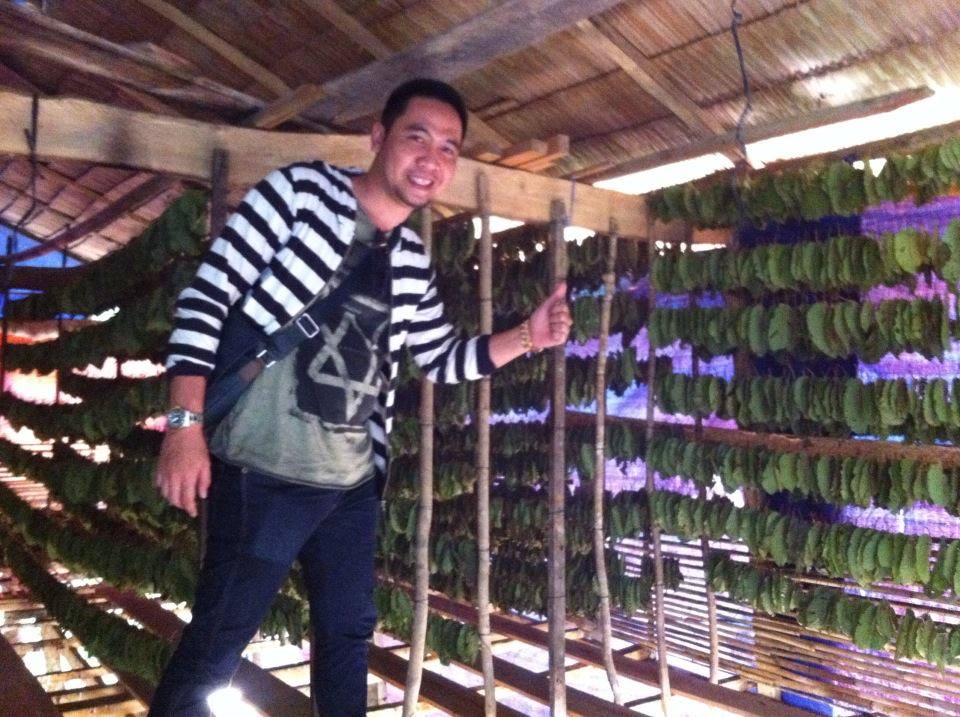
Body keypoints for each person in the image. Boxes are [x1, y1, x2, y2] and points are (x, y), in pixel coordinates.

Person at [150, 78, 572, 716]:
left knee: (347, 640)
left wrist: (528, 337)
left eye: (449, 148)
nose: (431, 159)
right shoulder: (299, 194)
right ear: (378, 137)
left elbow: (441, 358)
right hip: (263, 474)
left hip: (349, 488)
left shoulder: (411, 261)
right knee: (217, 644)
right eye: (416, 137)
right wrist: (183, 425)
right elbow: (205, 298)